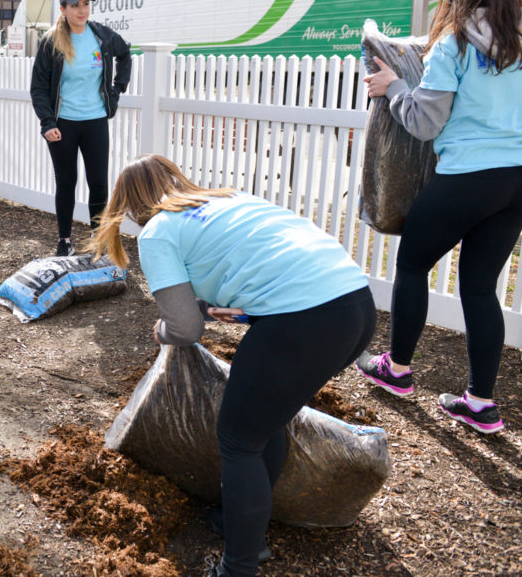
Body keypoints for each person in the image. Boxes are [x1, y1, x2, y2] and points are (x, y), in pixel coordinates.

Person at [88, 154, 375, 577]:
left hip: (305, 320)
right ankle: (237, 523)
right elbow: (263, 268)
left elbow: (183, 328)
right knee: (262, 422)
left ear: (130, 207)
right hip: (356, 307)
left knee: (239, 440)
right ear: (175, 180)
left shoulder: (159, 233)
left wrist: (164, 332)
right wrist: (209, 308)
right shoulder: (229, 199)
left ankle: (238, 566)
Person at [358, 0, 522, 435]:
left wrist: (394, 87)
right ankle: (479, 403)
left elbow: (425, 122)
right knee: (480, 287)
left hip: (470, 175)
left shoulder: (457, 40)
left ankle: (397, 370)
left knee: (413, 264)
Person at [30, 0, 131, 256]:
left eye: (85, 4)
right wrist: (47, 123)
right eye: (75, 5)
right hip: (63, 124)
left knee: (98, 182)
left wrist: (117, 89)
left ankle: (97, 239)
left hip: (95, 120)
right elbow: (38, 87)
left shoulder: (102, 36)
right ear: (63, 10)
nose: (81, 10)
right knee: (67, 182)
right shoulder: (51, 42)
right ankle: (64, 241)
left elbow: (125, 54)